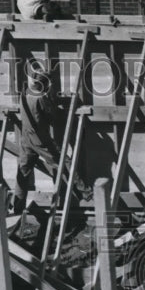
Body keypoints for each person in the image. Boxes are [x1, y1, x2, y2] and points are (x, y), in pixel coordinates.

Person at [12, 60, 93, 235]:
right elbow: (53, 116)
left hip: (26, 140)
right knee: (65, 161)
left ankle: (17, 207)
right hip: (41, 140)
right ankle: (85, 192)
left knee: (23, 172)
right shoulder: (41, 98)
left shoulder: (24, 93)